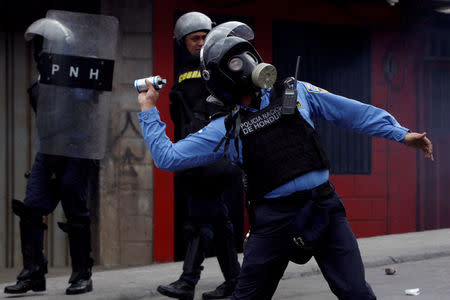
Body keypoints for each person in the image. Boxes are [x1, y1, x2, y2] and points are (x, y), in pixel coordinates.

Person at [137, 21, 434, 300]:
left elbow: (352, 112)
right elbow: (168, 157)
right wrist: (149, 108)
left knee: (357, 293)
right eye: (235, 62)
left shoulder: (296, 91)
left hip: (323, 209)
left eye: (244, 57)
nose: (245, 67)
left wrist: (400, 134)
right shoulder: (226, 127)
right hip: (273, 221)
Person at [4, 11, 118, 296]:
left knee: (75, 208)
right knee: (31, 208)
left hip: (77, 150)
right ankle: (33, 272)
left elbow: (86, 107)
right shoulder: (42, 73)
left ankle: (82, 273)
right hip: (48, 150)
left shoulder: (80, 71)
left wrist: (66, 83)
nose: (43, 49)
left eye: (49, 44)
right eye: (41, 45)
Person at [156, 12, 242, 300]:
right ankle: (235, 282)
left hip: (211, 155)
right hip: (194, 155)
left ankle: (188, 282)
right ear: (183, 42)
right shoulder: (184, 70)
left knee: (198, 220)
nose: (201, 42)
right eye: (195, 38)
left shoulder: (217, 66)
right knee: (219, 222)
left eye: (205, 36)